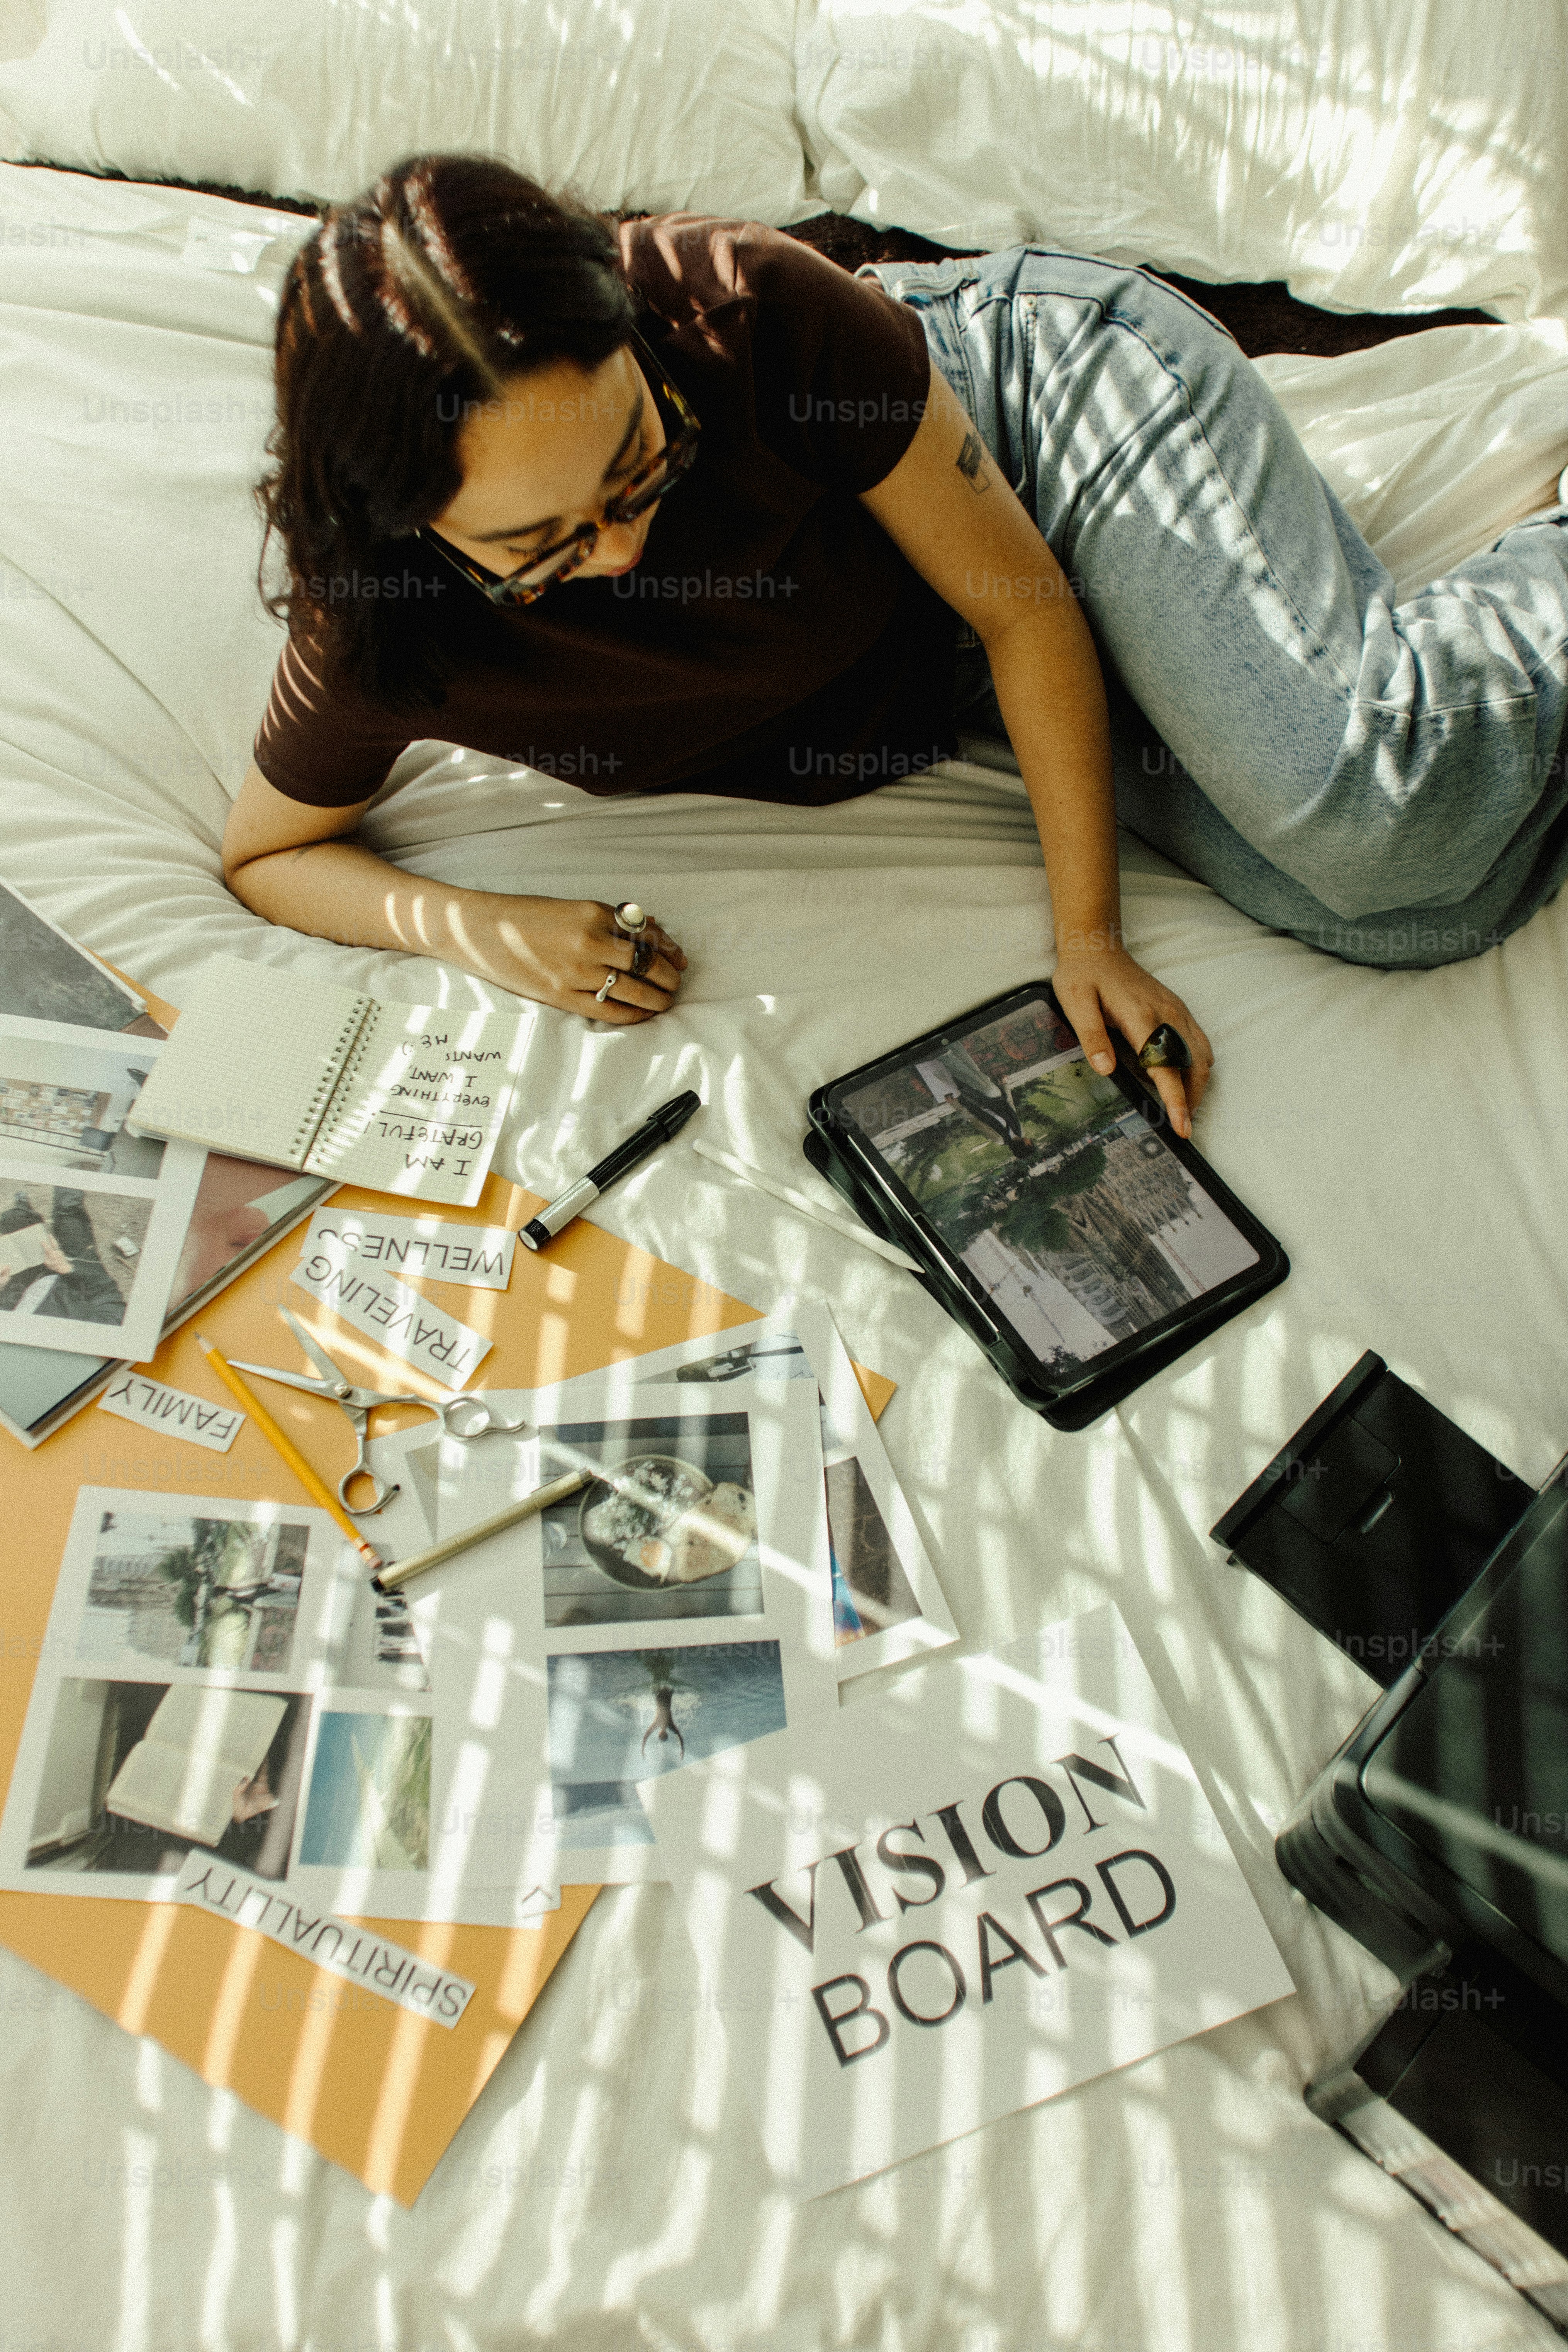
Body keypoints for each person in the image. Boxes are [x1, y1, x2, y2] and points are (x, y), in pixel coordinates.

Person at [223, 155, 1568, 1141]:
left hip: (1043, 430)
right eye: (541, 549)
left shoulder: (753, 311)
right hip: (955, 662)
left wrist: (1087, 938)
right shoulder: (378, 620)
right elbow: (270, 853)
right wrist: (479, 928)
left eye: (643, 465)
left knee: (1370, 820)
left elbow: (1021, 604)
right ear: (403, 528)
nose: (623, 551)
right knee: (1415, 914)